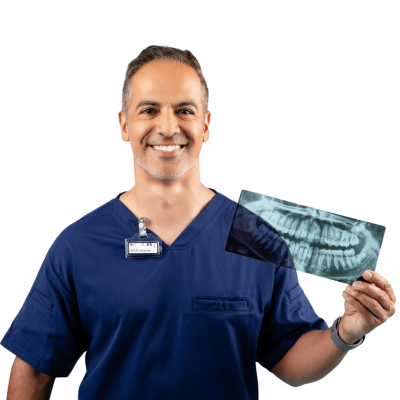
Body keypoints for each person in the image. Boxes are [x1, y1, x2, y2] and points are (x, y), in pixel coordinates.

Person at [1, 45, 396, 399]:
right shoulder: (78, 244)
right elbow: (34, 370)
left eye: (184, 110)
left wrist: (345, 332)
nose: (168, 128)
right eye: (149, 110)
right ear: (124, 125)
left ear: (206, 124)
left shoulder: (257, 236)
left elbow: (290, 361)